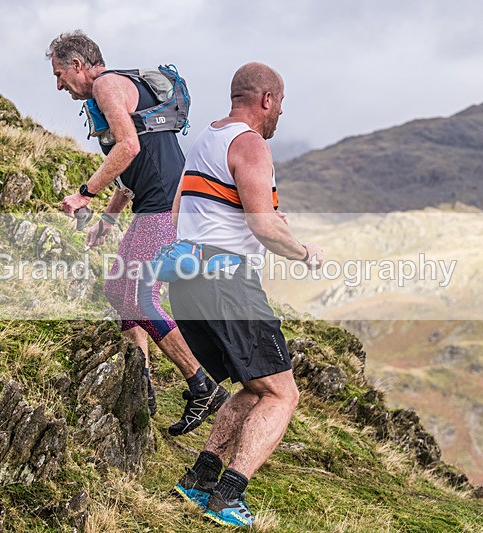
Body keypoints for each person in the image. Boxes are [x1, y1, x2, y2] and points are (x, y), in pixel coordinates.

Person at [48, 30, 229, 431]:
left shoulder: (107, 86)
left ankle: (203, 386)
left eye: (60, 73)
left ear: (78, 65)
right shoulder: (113, 91)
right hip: (154, 202)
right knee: (119, 290)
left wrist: (84, 194)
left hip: (167, 204)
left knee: (142, 296)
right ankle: (141, 381)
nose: (59, 84)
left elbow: (127, 147)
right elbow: (134, 166)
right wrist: (109, 219)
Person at [168, 62, 323, 528]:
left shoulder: (203, 141)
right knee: (282, 394)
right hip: (226, 279)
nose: (280, 116)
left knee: (254, 386)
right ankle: (226, 497)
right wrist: (303, 253)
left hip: (186, 273)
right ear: (267, 100)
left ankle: (199, 480)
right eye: (281, 105)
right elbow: (260, 224)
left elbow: (180, 211)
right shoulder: (250, 143)